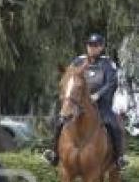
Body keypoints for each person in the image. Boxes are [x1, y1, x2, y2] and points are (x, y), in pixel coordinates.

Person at [43, 33, 128, 169]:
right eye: (90, 45)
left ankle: (119, 158)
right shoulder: (78, 61)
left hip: (101, 104)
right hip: (78, 103)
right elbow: (69, 77)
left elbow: (112, 83)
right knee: (59, 121)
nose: (92, 48)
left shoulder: (107, 63)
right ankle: (54, 153)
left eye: (96, 46)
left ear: (101, 47)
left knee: (113, 124)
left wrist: (98, 95)